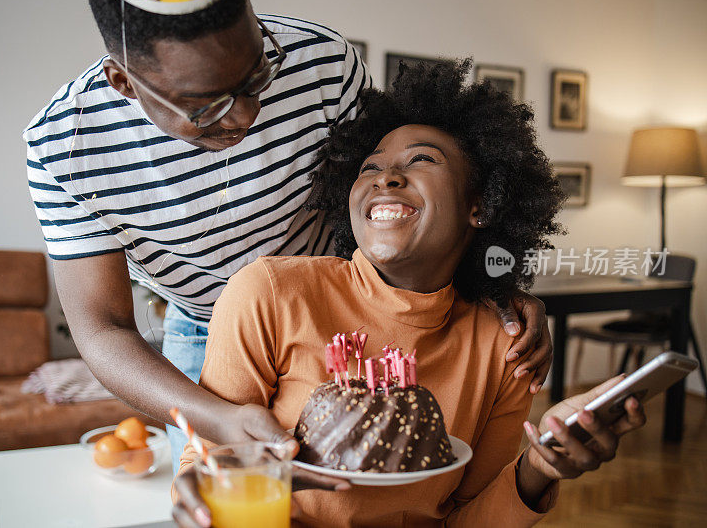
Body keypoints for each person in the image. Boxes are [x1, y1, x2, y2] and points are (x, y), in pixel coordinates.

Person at [23, 0, 552, 471]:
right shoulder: (64, 148)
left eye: (257, 78)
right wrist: (217, 418)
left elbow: (402, 201)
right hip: (205, 334)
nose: (249, 114)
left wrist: (488, 285)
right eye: (207, 106)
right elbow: (102, 328)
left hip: (342, 319)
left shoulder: (321, 62)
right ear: (125, 82)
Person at [171, 60, 647, 527]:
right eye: (369, 166)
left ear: (479, 204)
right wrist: (204, 498)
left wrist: (539, 467)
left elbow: (464, 517)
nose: (386, 177)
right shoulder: (271, 293)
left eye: (422, 159)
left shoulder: (506, 345)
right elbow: (212, 467)